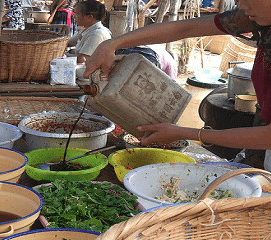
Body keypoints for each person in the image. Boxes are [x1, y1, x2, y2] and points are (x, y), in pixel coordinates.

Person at [83, 0, 271, 169]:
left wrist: (187, 133)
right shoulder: (254, 16)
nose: (241, 5)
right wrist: (112, 44)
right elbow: (185, 28)